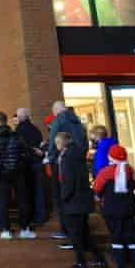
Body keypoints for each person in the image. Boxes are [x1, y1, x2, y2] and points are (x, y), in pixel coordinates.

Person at [57, 131, 107, 268]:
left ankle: (81, 263)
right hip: (83, 199)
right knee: (84, 231)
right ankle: (99, 259)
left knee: (76, 234)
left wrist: (64, 197)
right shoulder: (78, 153)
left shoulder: (67, 157)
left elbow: (68, 180)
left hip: (73, 201)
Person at [0, 111, 36, 240]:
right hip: (18, 171)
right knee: (22, 200)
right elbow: (25, 150)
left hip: (2, 172)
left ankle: (6, 230)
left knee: (3, 201)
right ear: (6, 120)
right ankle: (24, 229)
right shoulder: (16, 135)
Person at [93, 145, 135, 268]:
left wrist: (97, 196)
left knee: (116, 238)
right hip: (128, 210)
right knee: (131, 238)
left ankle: (121, 265)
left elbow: (97, 188)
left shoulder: (105, 172)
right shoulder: (130, 171)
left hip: (111, 210)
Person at [47, 100, 88, 242]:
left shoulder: (59, 120)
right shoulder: (78, 121)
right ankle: (81, 232)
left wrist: (51, 157)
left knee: (61, 196)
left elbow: (53, 141)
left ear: (57, 109)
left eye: (53, 110)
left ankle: (67, 231)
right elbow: (85, 142)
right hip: (79, 161)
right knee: (76, 195)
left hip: (62, 161)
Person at [15, 107, 48, 225]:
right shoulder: (35, 128)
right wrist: (39, 151)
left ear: (20, 117)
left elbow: (19, 146)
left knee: (28, 191)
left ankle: (32, 216)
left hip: (27, 164)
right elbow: (41, 143)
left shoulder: (19, 129)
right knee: (39, 190)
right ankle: (41, 215)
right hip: (37, 162)